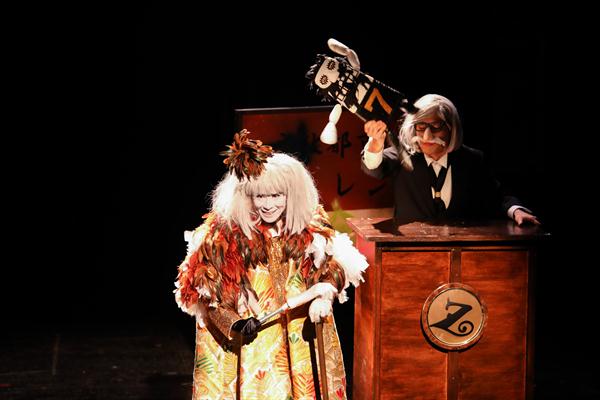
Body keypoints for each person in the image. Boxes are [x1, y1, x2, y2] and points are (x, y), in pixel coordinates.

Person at [174, 129, 368, 399]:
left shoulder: (309, 227)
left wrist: (324, 296)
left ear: (291, 195)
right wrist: (234, 324)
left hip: (301, 333)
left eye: (277, 196)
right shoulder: (224, 234)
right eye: (260, 196)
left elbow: (331, 269)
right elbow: (208, 291)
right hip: (255, 340)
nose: (268, 205)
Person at [361, 94, 540, 225]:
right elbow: (374, 166)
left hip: (460, 252)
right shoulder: (402, 156)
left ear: (451, 128)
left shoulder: (472, 160)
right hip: (410, 254)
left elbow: (497, 195)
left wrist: (516, 211)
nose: (427, 136)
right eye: (421, 126)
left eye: (436, 126)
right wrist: (375, 144)